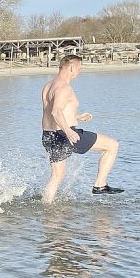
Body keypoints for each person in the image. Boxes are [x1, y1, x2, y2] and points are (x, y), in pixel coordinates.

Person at [40, 54, 123, 203]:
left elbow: (51, 112)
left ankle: (47, 209)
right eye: (79, 68)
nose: (79, 72)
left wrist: (76, 117)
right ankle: (100, 185)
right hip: (64, 134)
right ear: (72, 68)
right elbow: (56, 112)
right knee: (112, 145)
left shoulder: (48, 86)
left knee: (56, 177)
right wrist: (68, 130)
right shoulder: (64, 88)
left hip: (49, 135)